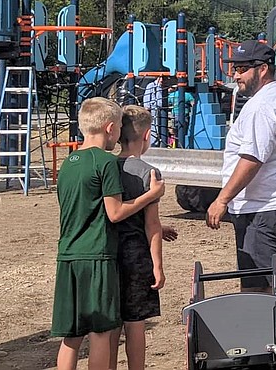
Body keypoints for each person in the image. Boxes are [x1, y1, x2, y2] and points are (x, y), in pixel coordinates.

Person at [206, 40, 276, 336]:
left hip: (267, 206)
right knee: (262, 277)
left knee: (266, 281)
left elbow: (253, 157)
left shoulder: (264, 104)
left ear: (262, 69)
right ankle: (264, 341)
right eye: (234, 69)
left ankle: (269, 346)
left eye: (241, 69)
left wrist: (222, 199)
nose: (235, 75)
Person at [51, 97, 164, 370]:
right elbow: (113, 212)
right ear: (110, 128)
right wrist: (151, 195)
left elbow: (87, 208)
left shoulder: (68, 163)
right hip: (98, 256)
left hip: (68, 255)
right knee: (101, 331)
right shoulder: (105, 163)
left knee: (72, 335)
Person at [109, 105, 171, 370]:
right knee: (135, 324)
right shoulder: (150, 173)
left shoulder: (106, 166)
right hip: (136, 256)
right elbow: (151, 225)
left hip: (109, 252)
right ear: (147, 136)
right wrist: (157, 265)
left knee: (110, 324)